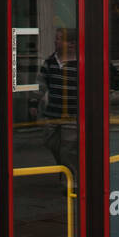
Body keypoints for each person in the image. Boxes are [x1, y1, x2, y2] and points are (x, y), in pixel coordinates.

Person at [36, 27, 79, 170]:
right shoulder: (50, 62)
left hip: (72, 115)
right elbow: (41, 84)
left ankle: (71, 181)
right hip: (53, 114)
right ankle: (65, 169)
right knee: (50, 143)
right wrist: (33, 103)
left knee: (68, 149)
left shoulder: (80, 63)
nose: (55, 41)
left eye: (59, 39)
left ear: (71, 44)